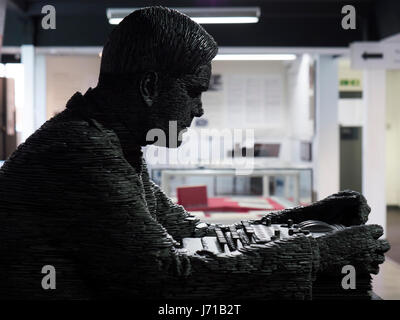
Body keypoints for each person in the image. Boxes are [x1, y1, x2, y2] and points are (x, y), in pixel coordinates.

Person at [0, 6, 389, 299]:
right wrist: (318, 252)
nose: (199, 109)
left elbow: (192, 234)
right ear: (150, 86)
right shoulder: (80, 152)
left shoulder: (112, 144)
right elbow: (171, 279)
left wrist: (303, 218)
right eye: (193, 91)